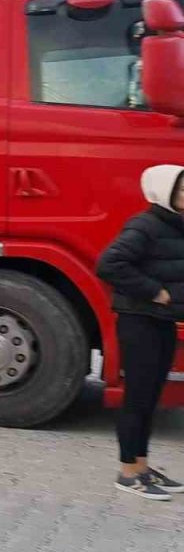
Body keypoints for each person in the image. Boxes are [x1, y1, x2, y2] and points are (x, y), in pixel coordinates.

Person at [96, 164, 184, 500]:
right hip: (139, 322)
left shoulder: (175, 225)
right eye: (181, 190)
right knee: (137, 397)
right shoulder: (144, 225)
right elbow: (109, 264)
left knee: (150, 398)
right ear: (164, 193)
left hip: (162, 321)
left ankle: (143, 466)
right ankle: (127, 473)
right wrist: (154, 292)